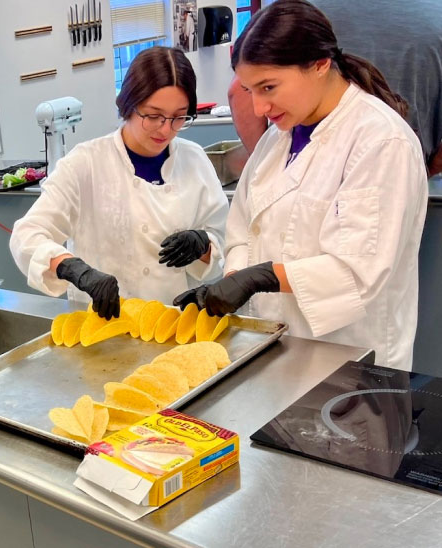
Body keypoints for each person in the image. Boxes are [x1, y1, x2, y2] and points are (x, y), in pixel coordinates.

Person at [174, 0, 428, 371]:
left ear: (320, 64)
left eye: (268, 87)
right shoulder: (277, 139)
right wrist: (232, 281)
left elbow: (359, 271)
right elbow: (244, 226)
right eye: (249, 90)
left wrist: (260, 276)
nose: (259, 108)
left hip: (350, 359)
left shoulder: (380, 142)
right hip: (273, 347)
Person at [10, 47, 229, 320]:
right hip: (104, 327)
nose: (165, 129)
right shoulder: (86, 163)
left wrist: (203, 245)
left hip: (176, 325)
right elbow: (26, 235)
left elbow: (223, 242)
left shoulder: (194, 160)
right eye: (153, 115)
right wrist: (72, 268)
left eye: (178, 117)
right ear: (128, 104)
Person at [309, 0, 442, 176]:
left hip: (307, 175)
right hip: (402, 175)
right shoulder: (435, 14)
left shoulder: (300, 10)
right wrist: (424, 171)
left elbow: (263, 99)